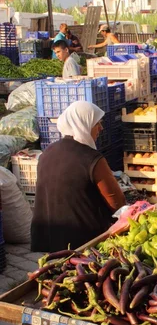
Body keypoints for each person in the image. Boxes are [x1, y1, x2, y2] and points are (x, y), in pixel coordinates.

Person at [31, 101, 126, 252]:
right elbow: (116, 202)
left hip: (49, 235)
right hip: (83, 239)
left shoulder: (47, 152)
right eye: (97, 123)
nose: (101, 128)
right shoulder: (92, 158)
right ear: (84, 125)